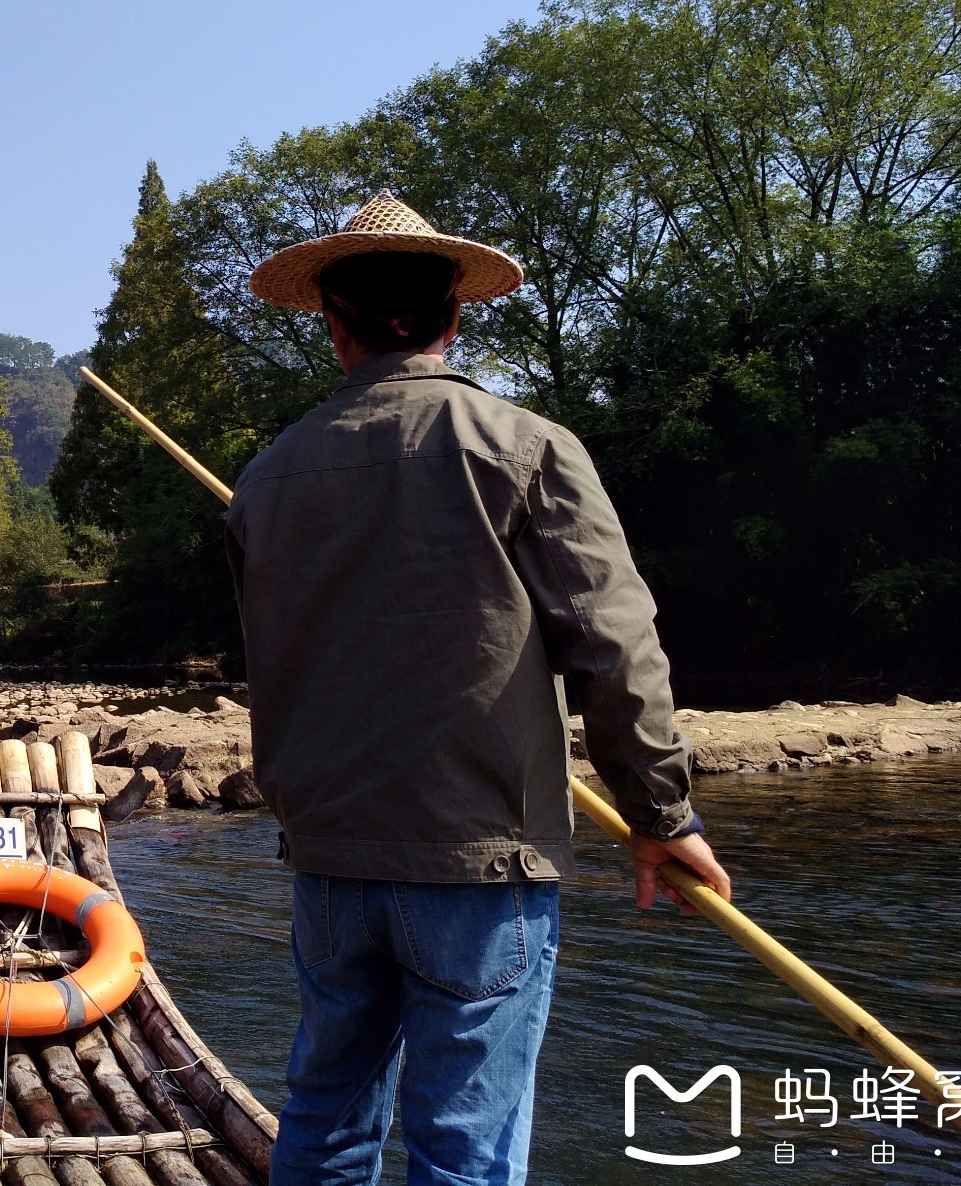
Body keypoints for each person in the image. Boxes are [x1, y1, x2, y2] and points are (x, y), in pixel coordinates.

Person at [226, 191, 732, 1186]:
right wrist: (660, 812)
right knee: (463, 1145)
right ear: (455, 313)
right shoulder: (527, 447)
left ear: (334, 327)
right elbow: (613, 643)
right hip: (478, 864)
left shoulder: (266, 479)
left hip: (328, 862)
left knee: (323, 1121)